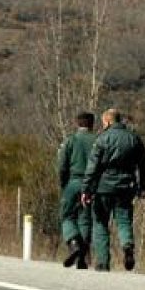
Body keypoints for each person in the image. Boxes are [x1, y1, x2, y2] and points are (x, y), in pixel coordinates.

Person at [82, 108, 145, 271]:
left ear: (107, 121)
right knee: (124, 220)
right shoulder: (134, 139)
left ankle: (103, 262)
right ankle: (127, 247)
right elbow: (144, 166)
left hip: (103, 187)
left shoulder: (102, 139)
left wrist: (86, 189)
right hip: (126, 187)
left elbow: (92, 167)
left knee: (100, 223)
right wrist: (143, 187)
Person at [57, 112, 95, 269]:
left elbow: (62, 165)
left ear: (77, 123)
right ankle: (83, 258)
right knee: (85, 219)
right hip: (91, 184)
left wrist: (63, 184)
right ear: (92, 124)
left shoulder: (70, 140)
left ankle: (73, 243)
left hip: (73, 182)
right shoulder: (97, 141)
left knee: (67, 216)